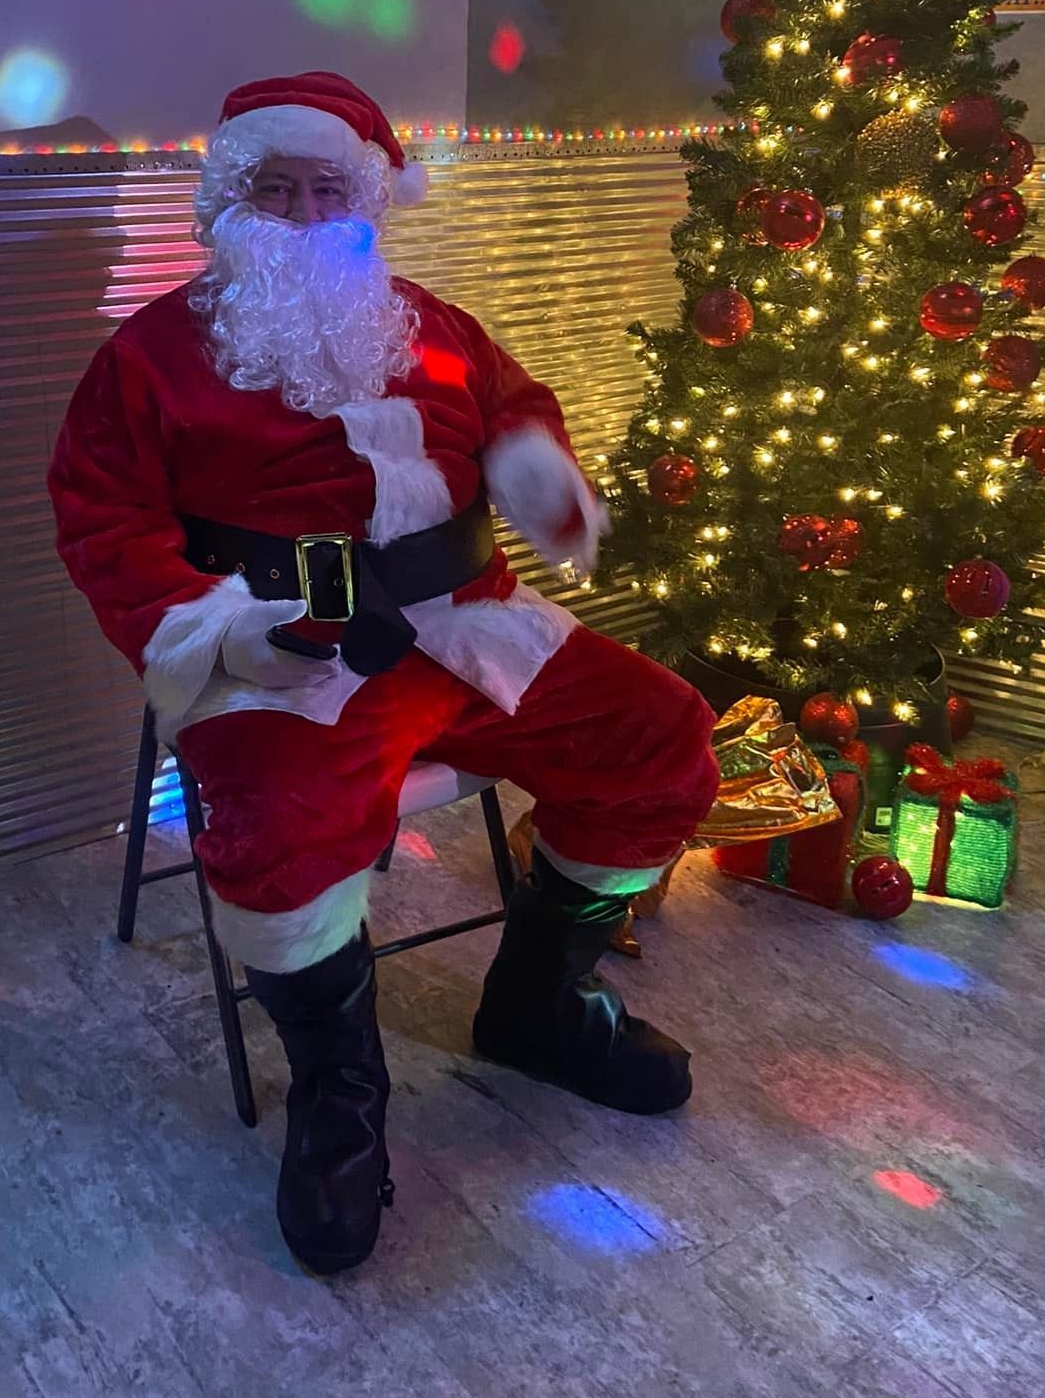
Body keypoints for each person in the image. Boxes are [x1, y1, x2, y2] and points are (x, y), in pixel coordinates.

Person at [49, 72, 718, 1275]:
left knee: (658, 733)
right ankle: (339, 1090)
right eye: (277, 190)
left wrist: (535, 469)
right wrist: (215, 631)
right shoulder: (148, 357)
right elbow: (103, 518)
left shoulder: (433, 324)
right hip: (283, 650)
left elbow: (514, 408)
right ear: (229, 202)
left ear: (367, 203)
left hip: (467, 625)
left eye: (331, 190)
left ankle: (537, 1006)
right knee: (279, 829)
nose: (307, 216)